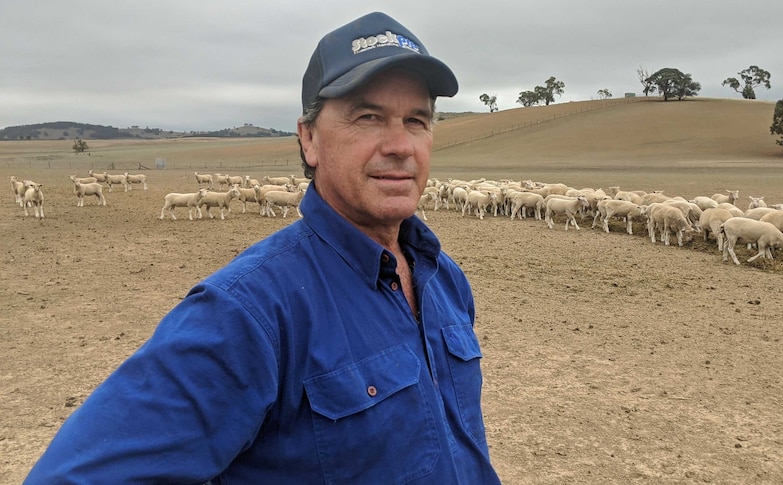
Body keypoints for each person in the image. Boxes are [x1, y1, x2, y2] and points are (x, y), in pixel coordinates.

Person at [24, 11, 501, 485]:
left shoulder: (444, 279)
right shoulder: (248, 311)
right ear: (309, 138)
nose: (400, 144)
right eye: (368, 116)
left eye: (416, 120)